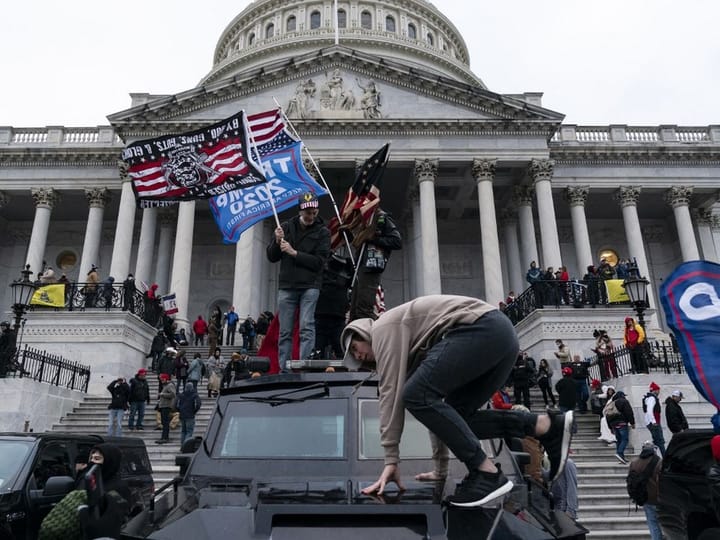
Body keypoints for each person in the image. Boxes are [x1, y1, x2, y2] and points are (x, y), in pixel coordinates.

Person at [341, 295, 574, 507]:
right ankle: (544, 426)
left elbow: (390, 396)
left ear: (363, 333)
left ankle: (487, 473)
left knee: (414, 395)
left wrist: (391, 459)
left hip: (482, 329)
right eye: (354, 358)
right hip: (500, 337)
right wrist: (441, 470)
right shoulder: (411, 347)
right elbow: (439, 415)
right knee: (456, 415)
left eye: (355, 348)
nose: (358, 356)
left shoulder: (383, 328)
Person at [267, 192, 331, 370]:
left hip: (310, 285)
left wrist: (294, 253)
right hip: (287, 285)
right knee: (285, 331)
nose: (310, 216)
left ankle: (304, 366)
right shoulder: (286, 227)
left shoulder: (323, 232)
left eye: (313, 212)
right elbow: (272, 257)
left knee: (306, 326)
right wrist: (277, 241)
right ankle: (284, 368)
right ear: (300, 210)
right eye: (307, 212)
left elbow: (320, 262)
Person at [348, 209, 402, 321]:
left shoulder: (381, 218)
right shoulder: (363, 220)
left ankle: (369, 335)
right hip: (360, 268)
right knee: (354, 310)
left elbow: (396, 241)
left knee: (364, 309)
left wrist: (374, 239)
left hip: (372, 268)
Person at [314, 253, 352, 358]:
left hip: (335, 316)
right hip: (323, 315)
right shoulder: (322, 268)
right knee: (319, 351)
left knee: (339, 351)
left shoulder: (347, 270)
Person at [627, 441, 662, 540]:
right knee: (663, 523)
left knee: (652, 523)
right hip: (658, 498)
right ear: (653, 450)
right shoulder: (659, 462)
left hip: (644, 498)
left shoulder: (634, 463)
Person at [605, 389, 635, 464]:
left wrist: (610, 427)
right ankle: (619, 452)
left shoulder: (611, 403)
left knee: (619, 440)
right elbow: (629, 412)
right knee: (625, 439)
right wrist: (632, 423)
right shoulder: (624, 402)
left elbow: (607, 416)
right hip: (622, 423)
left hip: (614, 425)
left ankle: (621, 457)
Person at [642, 382, 666, 456]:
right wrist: (653, 421)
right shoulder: (652, 398)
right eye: (658, 390)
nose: (659, 392)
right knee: (660, 441)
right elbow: (649, 410)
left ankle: (652, 456)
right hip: (654, 423)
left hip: (651, 423)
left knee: (656, 441)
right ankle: (665, 458)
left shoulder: (649, 398)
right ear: (655, 390)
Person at [176, 381, 201, 448]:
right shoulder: (195, 395)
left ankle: (182, 445)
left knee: (183, 431)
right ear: (192, 388)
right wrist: (194, 411)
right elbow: (198, 404)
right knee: (189, 431)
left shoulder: (181, 395)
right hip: (190, 415)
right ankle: (186, 446)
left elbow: (175, 404)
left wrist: (179, 410)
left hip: (182, 415)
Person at [155, 373, 176, 444]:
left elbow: (173, 394)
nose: (161, 380)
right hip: (163, 406)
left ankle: (165, 438)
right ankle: (163, 437)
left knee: (165, 423)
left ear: (166, 379)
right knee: (164, 422)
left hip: (166, 406)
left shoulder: (170, 385)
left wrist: (162, 394)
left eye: (162, 379)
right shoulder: (166, 385)